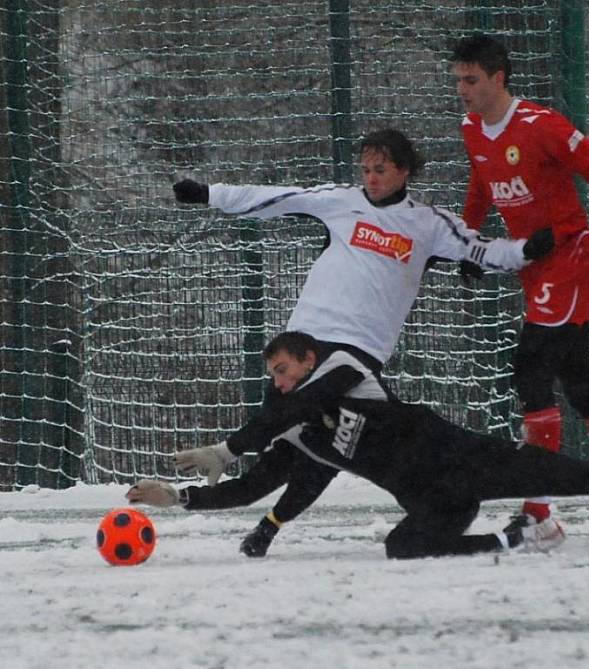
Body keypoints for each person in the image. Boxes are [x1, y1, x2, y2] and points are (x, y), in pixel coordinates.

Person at [126, 331, 589, 560]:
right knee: (402, 547)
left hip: (464, 458)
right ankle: (515, 539)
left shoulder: (346, 369)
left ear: (310, 360)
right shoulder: (293, 425)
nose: (279, 383)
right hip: (432, 496)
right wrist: (180, 498)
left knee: (583, 476)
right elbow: (255, 484)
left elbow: (302, 406)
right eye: (272, 377)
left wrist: (229, 445)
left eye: (285, 371)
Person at [169, 127, 553, 487]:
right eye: (366, 169)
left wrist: (523, 251)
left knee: (342, 437)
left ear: (403, 171)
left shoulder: (428, 223)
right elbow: (275, 197)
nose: (370, 178)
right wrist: (209, 194)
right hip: (308, 340)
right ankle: (234, 512)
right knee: (289, 442)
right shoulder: (341, 201)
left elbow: (479, 248)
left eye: (380, 169)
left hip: (359, 349)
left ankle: (479, 477)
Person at [450, 34, 589, 544]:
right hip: (534, 268)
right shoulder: (471, 129)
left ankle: (539, 512)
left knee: (531, 371)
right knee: (580, 387)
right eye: (458, 80)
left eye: (471, 80)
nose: (462, 90)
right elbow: (481, 186)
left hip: (571, 258)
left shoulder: (539, 125)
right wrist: (469, 245)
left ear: (497, 78)